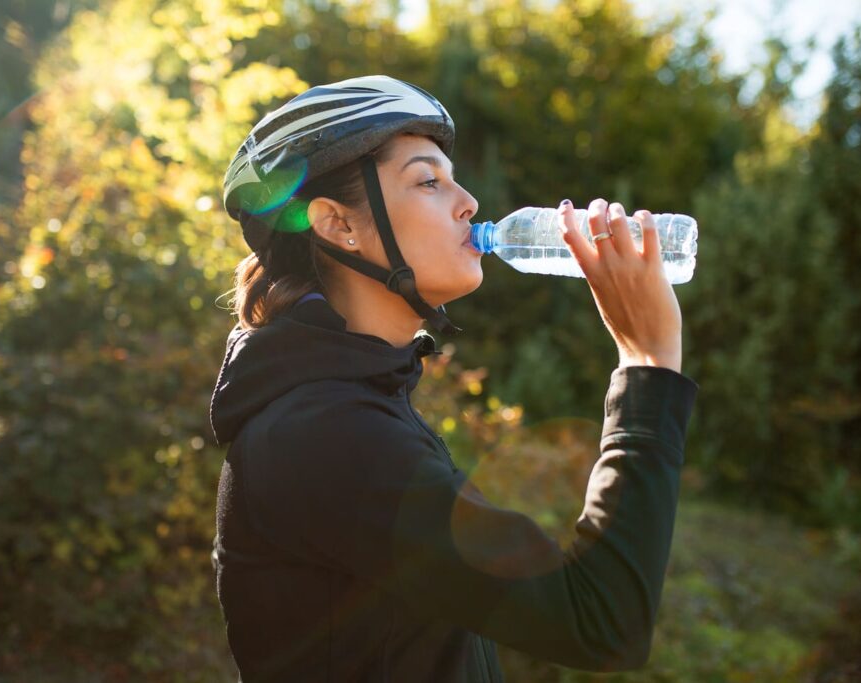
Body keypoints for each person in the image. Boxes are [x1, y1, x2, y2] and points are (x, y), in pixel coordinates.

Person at [209, 75, 698, 682]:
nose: (468, 201)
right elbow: (601, 622)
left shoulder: (351, 407)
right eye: (428, 180)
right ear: (339, 226)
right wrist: (648, 362)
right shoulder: (325, 434)